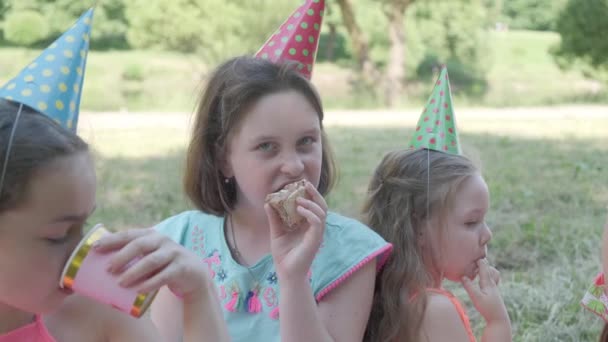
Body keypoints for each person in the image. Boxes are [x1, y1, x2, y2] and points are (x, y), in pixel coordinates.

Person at [0, 9, 228, 342]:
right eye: (59, 235)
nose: (84, 253)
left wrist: (199, 290)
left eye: (84, 227)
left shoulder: (93, 311)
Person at [150, 55, 391, 342]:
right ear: (223, 158)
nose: (294, 165)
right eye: (267, 147)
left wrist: (293, 279)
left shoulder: (350, 252)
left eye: (306, 142)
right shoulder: (179, 241)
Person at [363, 67, 511, 342]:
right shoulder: (434, 310)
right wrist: (497, 321)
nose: (487, 234)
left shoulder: (382, 295)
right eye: (471, 222)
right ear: (418, 226)